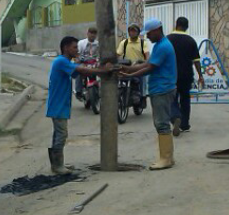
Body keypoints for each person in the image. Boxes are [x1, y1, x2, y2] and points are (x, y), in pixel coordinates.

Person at [47, 36, 111, 174]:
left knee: (58, 134)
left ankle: (57, 164)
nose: (77, 49)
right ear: (65, 48)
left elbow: (79, 70)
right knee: (61, 134)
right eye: (74, 47)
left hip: (60, 104)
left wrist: (93, 67)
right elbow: (83, 71)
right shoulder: (61, 61)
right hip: (58, 105)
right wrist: (103, 72)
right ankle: (57, 166)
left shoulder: (65, 62)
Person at [119, 18, 177, 170]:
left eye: (149, 33)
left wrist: (130, 75)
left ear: (157, 30)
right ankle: (168, 157)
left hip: (162, 88)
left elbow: (150, 67)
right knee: (161, 122)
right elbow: (146, 64)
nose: (148, 37)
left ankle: (166, 158)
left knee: (161, 123)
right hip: (161, 87)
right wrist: (128, 70)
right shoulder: (159, 45)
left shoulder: (163, 46)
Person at [167, 17, 204, 136]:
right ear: (187, 27)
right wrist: (200, 75)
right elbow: (196, 61)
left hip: (171, 75)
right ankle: (184, 124)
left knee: (171, 98)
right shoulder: (190, 41)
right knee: (185, 99)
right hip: (186, 75)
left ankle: (175, 116)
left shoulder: (167, 40)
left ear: (176, 25)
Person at [74, 26, 99, 99]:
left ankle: (99, 91)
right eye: (91, 33)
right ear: (87, 34)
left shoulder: (98, 44)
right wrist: (78, 60)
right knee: (78, 72)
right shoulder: (81, 43)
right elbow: (77, 53)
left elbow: (99, 54)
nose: (92, 35)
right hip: (83, 62)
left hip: (94, 63)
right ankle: (78, 91)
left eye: (94, 33)